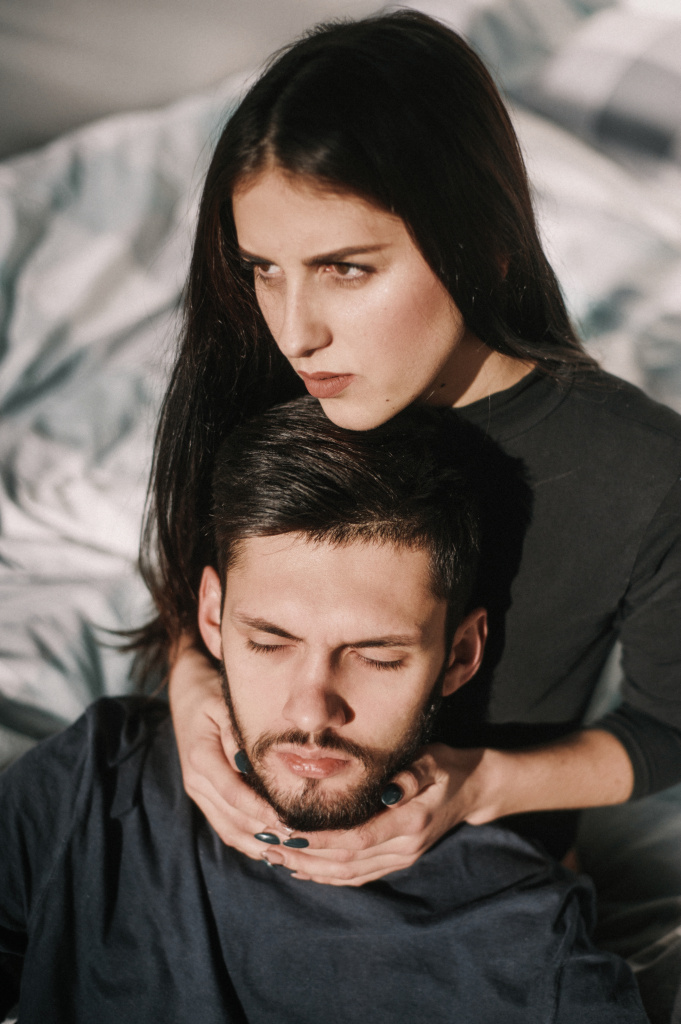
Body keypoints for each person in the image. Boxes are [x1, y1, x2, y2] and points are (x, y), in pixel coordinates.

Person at [136, 10, 681, 887]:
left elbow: (668, 731)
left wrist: (478, 786)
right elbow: (190, 596)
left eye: (345, 268)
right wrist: (192, 690)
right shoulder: (259, 388)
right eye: (263, 269)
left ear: (484, 247)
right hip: (223, 844)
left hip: (475, 883)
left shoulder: (641, 472)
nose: (294, 331)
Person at [0, 400, 648, 1022]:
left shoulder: (527, 942)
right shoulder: (92, 782)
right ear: (211, 617)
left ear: (458, 655)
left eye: (376, 656)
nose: (311, 710)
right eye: (269, 642)